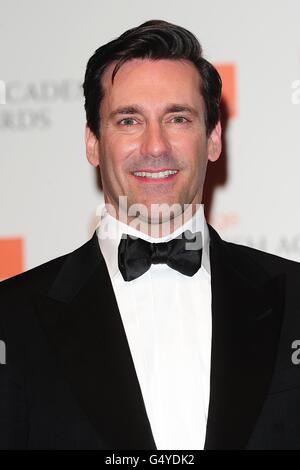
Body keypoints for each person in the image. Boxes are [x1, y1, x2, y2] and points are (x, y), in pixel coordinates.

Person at [1, 19, 300, 451]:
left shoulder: (294, 298)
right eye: (128, 121)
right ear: (92, 143)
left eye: (177, 118)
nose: (155, 146)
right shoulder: (11, 319)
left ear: (213, 138)